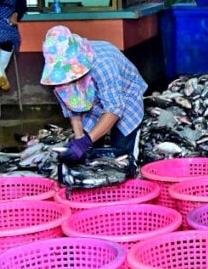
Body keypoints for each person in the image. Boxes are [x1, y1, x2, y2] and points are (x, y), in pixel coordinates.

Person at [40, 25, 147, 168]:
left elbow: (114, 108)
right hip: (93, 98)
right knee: (90, 151)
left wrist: (85, 142)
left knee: (121, 152)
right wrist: (80, 138)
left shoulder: (103, 63)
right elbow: (70, 105)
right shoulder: (60, 76)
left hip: (126, 94)